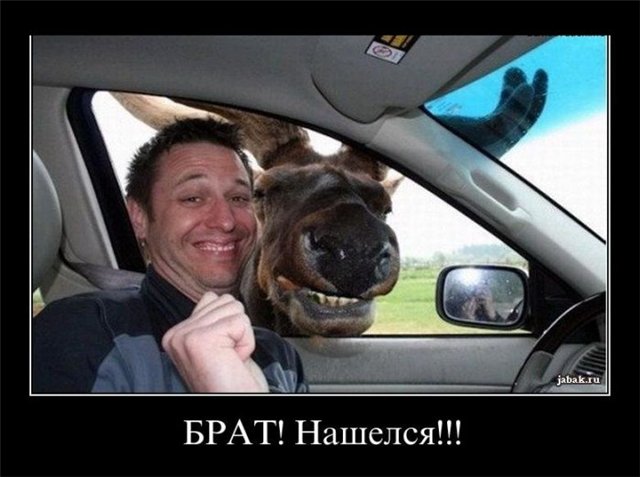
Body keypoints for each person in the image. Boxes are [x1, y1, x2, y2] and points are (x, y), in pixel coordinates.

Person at [32, 118, 308, 393]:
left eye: (239, 198)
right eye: (192, 198)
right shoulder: (78, 333)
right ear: (139, 217)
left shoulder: (279, 356)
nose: (226, 221)